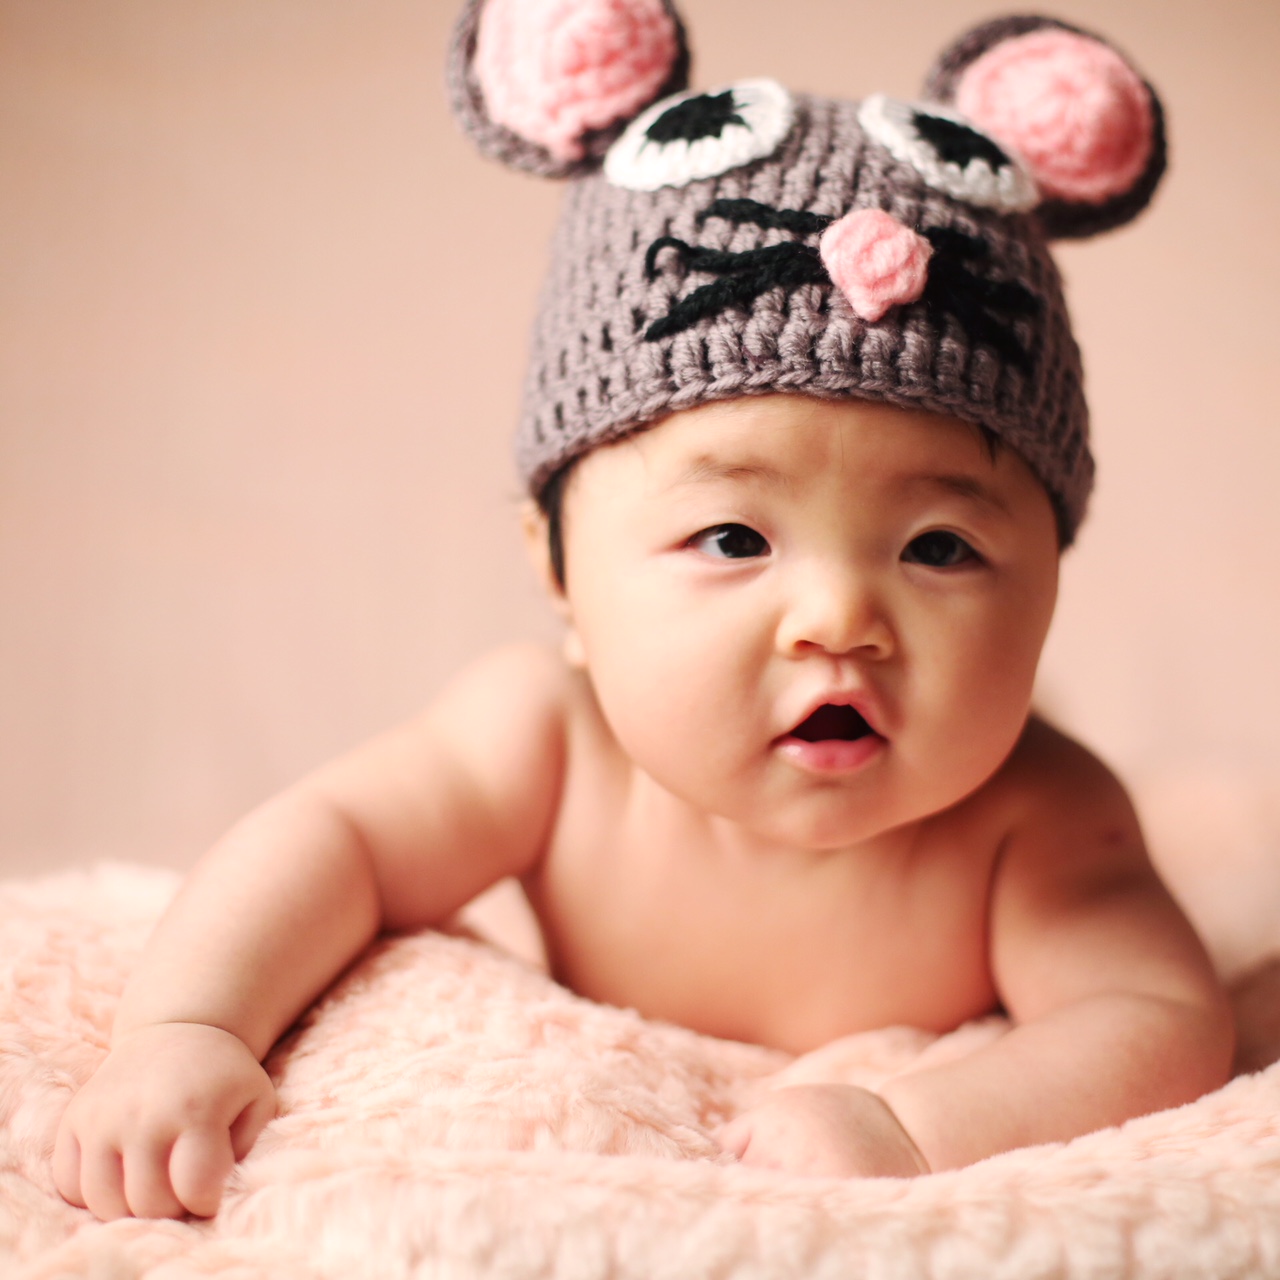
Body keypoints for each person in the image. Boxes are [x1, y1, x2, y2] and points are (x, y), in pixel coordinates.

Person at [53, 2, 1233, 1221]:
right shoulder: (546, 747)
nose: (836, 615)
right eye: (732, 538)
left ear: (1049, 580)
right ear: (559, 572)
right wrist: (189, 1024)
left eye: (938, 545)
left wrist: (911, 1121)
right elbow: (333, 839)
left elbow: (1153, 1018)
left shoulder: (1036, 817)